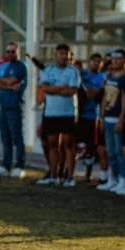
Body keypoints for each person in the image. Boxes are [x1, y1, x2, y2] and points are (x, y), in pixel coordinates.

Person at [36, 44, 80, 187]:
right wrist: (61, 87)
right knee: (52, 144)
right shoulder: (49, 70)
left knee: (68, 144)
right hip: (51, 113)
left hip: (67, 113)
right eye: (61, 53)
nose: (63, 56)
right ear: (56, 54)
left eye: (66, 53)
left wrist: (54, 89)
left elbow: (72, 91)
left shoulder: (73, 72)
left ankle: (69, 176)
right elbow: (45, 88)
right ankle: (53, 175)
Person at [0, 42, 27, 178]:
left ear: (18, 52)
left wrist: (2, 82)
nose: (10, 54)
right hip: (3, 105)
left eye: (13, 51)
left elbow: (12, 81)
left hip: (14, 106)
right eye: (8, 51)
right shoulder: (3, 66)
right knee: (5, 138)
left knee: (17, 137)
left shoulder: (21, 67)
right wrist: (9, 86)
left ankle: (20, 166)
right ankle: (5, 165)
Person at [97, 48, 125, 194]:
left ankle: (124, 179)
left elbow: (124, 100)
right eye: (113, 59)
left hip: (118, 119)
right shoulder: (109, 77)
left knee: (119, 152)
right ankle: (113, 178)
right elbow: (104, 98)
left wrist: (121, 119)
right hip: (107, 118)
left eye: (119, 58)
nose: (115, 61)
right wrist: (102, 118)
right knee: (110, 152)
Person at [77, 53, 106, 184]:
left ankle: (88, 173)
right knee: (77, 144)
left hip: (94, 116)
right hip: (79, 115)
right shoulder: (83, 74)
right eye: (93, 60)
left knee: (92, 146)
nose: (96, 63)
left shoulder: (103, 77)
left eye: (98, 61)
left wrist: (93, 92)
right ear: (89, 62)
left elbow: (98, 94)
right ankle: (67, 171)